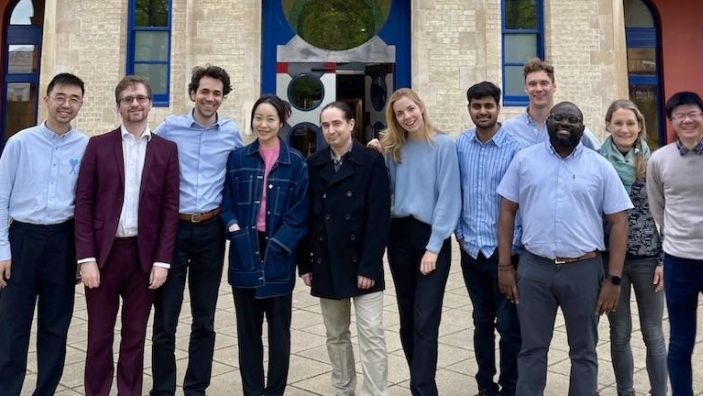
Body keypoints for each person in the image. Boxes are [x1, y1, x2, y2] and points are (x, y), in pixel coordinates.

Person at [497, 101, 631, 395]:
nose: (565, 124)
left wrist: (614, 279)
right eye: (559, 118)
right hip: (534, 269)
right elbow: (507, 210)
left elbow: (619, 222)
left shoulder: (600, 167)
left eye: (573, 119)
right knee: (531, 350)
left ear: (583, 127)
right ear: (548, 123)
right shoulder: (524, 161)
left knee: (583, 352)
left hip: (583, 270)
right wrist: (505, 265)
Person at [74, 75, 179, 396]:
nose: (136, 104)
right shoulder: (98, 146)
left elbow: (169, 209)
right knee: (99, 336)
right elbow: (84, 202)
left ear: (150, 103)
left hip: (143, 258)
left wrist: (162, 261)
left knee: (135, 336)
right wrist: (86, 258)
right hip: (104, 257)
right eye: (129, 99)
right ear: (118, 106)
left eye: (142, 98)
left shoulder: (167, 150)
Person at [150, 64, 243, 396]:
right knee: (165, 320)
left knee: (204, 318)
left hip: (210, 233)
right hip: (173, 231)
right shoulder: (169, 129)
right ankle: (162, 389)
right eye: (204, 91)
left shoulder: (231, 133)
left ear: (223, 97)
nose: (210, 98)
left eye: (217, 93)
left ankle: (195, 388)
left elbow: (248, 166)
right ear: (193, 93)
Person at [0, 73, 88, 396]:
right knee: (12, 327)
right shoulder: (20, 143)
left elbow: (85, 204)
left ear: (81, 103)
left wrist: (82, 254)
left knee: (55, 327)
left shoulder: (86, 146)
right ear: (47, 98)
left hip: (63, 244)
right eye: (60, 97)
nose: (66, 104)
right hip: (22, 240)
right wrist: (2, 251)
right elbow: (1, 197)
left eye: (74, 99)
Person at [300, 101, 391, 396]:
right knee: (336, 335)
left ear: (351, 124)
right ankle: (343, 390)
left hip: (363, 263)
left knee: (372, 334)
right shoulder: (314, 164)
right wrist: (306, 263)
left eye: (337, 123)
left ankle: (377, 392)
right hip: (326, 260)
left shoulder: (371, 160)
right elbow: (307, 216)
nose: (331, 130)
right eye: (325, 125)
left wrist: (368, 265)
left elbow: (379, 218)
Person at [220, 94, 309, 396]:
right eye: (259, 117)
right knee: (248, 333)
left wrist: (281, 244)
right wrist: (234, 230)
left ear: (282, 122)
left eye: (271, 118)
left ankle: (275, 391)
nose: (264, 124)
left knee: (279, 332)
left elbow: (301, 212)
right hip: (245, 248)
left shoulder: (295, 162)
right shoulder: (238, 158)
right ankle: (252, 391)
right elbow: (226, 201)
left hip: (279, 251)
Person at [380, 88, 461, 395]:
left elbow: (449, 197)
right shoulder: (393, 149)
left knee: (425, 319)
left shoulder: (443, 145)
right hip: (399, 236)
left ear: (421, 108)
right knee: (406, 318)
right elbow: (385, 191)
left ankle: (422, 389)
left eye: (410, 109)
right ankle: (423, 386)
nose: (407, 117)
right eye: (400, 114)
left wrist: (435, 244)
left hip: (430, 237)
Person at [455, 82, 523, 396]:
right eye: (476, 106)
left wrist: (514, 249)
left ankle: (510, 386)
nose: (483, 112)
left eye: (488, 106)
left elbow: (523, 201)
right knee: (481, 321)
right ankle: (485, 385)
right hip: (471, 251)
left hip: (505, 253)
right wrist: (458, 233)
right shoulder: (460, 145)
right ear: (469, 108)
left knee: (509, 327)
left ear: (498, 107)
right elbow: (452, 189)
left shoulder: (515, 149)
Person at [599, 99, 667, 396]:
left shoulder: (654, 165)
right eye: (618, 123)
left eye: (630, 123)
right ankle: (625, 391)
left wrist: (665, 261)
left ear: (640, 127)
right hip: (611, 262)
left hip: (648, 261)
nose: (624, 129)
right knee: (619, 333)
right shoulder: (597, 163)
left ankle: (658, 391)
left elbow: (670, 215)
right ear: (608, 126)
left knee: (653, 333)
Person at [647, 91, 703, 396]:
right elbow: (659, 208)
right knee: (680, 342)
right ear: (671, 121)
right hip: (679, 261)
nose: (688, 119)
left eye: (693, 113)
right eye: (680, 115)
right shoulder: (660, 159)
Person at [501, 58, 600, 150]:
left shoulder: (573, 128)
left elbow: (598, 157)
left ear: (554, 86)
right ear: (525, 89)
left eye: (544, 83)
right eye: (532, 84)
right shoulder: (508, 130)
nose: (538, 89)